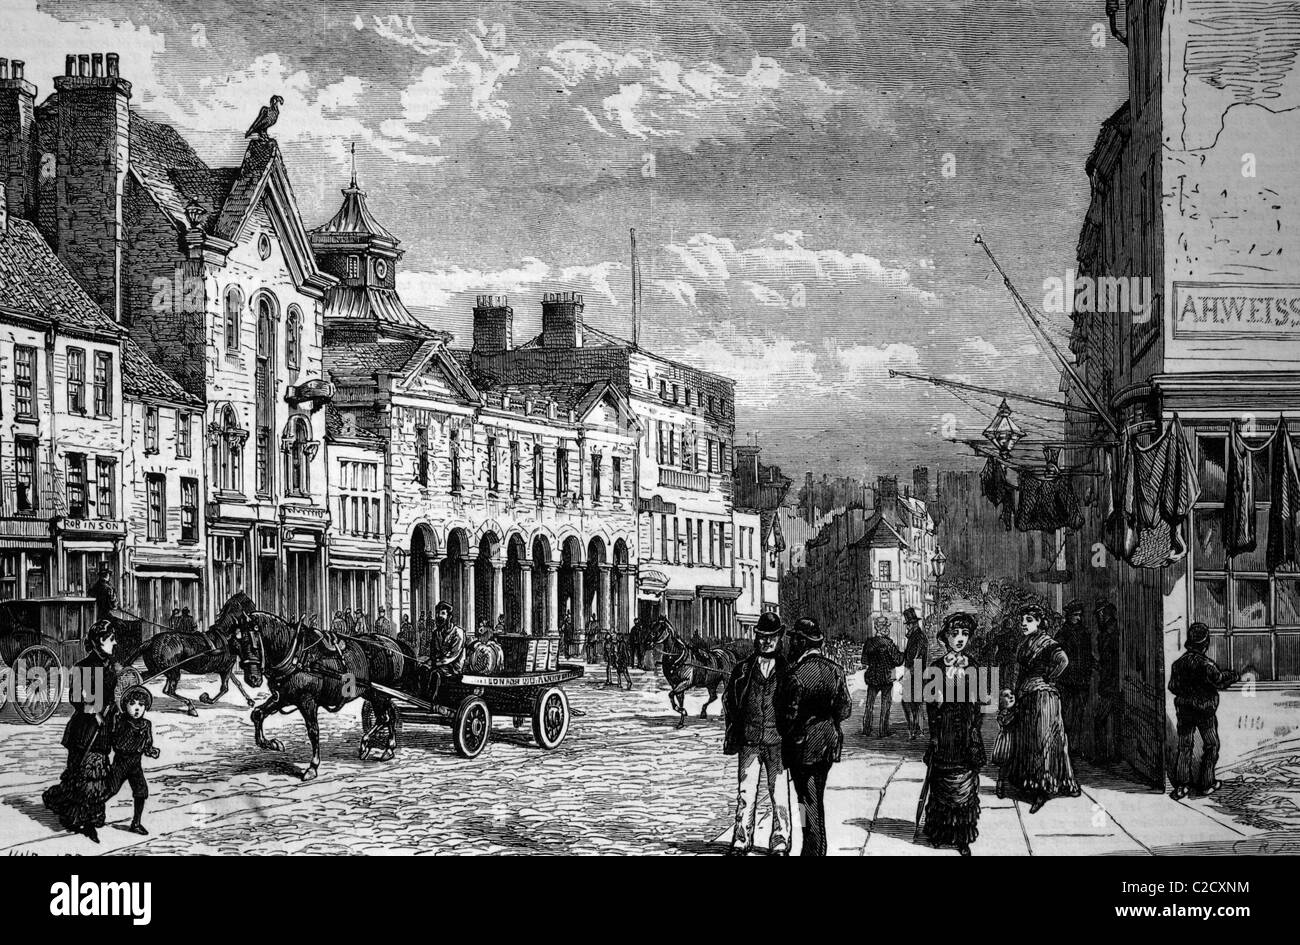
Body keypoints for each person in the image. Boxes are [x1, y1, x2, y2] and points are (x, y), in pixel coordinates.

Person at [777, 618, 852, 856]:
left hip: (802, 746)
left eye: (793, 640)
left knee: (806, 802)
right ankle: (815, 849)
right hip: (828, 744)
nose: (790, 645)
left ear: (801, 642)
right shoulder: (835, 670)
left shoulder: (795, 674)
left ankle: (812, 851)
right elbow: (845, 709)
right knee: (814, 798)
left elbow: (787, 718)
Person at [997, 603, 1080, 814]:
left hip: (1043, 699)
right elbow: (1017, 671)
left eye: (1029, 620)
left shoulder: (1047, 643)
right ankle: (1029, 784)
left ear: (1039, 622)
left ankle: (1043, 789)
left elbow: (1063, 661)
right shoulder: (1024, 643)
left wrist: (1048, 678)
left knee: (1043, 742)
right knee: (1027, 741)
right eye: (1022, 620)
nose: (1024, 624)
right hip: (1026, 697)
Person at [42, 620, 121, 843]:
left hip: (103, 728)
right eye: (110, 639)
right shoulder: (83, 667)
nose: (115, 643)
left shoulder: (110, 665)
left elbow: (111, 694)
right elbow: (77, 698)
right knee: (79, 772)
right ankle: (74, 814)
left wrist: (113, 706)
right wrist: (95, 712)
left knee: (98, 771)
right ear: (98, 642)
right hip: (84, 729)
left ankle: (93, 813)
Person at [722, 613, 791, 856]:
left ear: (779, 638)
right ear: (756, 637)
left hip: (777, 742)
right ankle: (741, 840)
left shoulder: (788, 670)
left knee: (779, 794)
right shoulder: (743, 669)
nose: (766, 642)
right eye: (762, 637)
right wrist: (736, 727)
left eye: (771, 637)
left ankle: (780, 842)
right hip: (749, 741)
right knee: (745, 793)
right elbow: (729, 699)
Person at [922, 613, 986, 856]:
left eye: (965, 634)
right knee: (941, 784)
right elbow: (929, 708)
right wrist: (934, 735)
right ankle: (940, 832)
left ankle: (962, 837)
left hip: (966, 732)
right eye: (954, 633)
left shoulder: (974, 666)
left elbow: (979, 707)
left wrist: (973, 730)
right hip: (944, 731)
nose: (960, 639)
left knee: (965, 786)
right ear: (945, 637)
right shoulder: (934, 669)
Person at [1169, 622, 1239, 800]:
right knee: (1212, 745)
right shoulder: (1207, 665)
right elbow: (1220, 681)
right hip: (1204, 713)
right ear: (1205, 644)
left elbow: (1172, 687)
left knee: (1184, 747)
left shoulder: (1178, 664)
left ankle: (1181, 786)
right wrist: (1234, 675)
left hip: (1184, 711)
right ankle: (1207, 784)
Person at [106, 686, 160, 835]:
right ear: (125, 706)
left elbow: (148, 744)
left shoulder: (146, 725)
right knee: (111, 789)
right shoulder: (120, 721)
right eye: (133, 704)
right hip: (121, 764)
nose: (137, 708)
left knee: (141, 792)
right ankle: (93, 811)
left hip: (135, 765)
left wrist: (151, 750)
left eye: (141, 705)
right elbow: (116, 743)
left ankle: (136, 823)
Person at [1057, 600, 1096, 760]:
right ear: (1069, 616)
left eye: (1080, 615)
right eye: (1075, 615)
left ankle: (1075, 746)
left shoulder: (1085, 633)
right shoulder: (1061, 634)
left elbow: (1088, 654)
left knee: (1079, 714)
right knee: (1065, 714)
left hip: (1081, 680)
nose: (1078, 618)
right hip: (1066, 681)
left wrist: (1093, 664)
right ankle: (1063, 745)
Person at [861, 616, 903, 737]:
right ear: (882, 628)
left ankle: (866, 728)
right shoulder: (888, 643)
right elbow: (898, 660)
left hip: (873, 677)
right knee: (885, 704)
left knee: (869, 704)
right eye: (886, 626)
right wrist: (902, 654)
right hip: (886, 677)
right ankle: (883, 730)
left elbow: (864, 660)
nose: (887, 629)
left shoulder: (869, 642)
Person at [1093, 601, 1122, 763]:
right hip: (1112, 682)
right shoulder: (1107, 632)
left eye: (1100, 614)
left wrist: (1102, 668)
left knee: (1100, 719)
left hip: (1111, 683)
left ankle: (1102, 756)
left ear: (1106, 614)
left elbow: (1111, 660)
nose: (1098, 617)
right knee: (1115, 720)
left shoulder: (1110, 633)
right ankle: (1114, 755)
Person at [900, 607, 928, 740]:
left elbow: (917, 658)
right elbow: (907, 656)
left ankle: (915, 730)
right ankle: (916, 729)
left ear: (914, 624)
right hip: (913, 673)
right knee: (912, 702)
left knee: (912, 702)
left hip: (916, 673)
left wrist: (908, 673)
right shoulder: (914, 637)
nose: (908, 627)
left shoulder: (919, 637)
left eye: (909, 624)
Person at [430, 601, 466, 680]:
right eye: (437, 613)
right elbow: (433, 654)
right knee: (423, 669)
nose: (439, 616)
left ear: (449, 617)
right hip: (439, 664)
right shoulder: (436, 633)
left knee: (435, 674)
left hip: (453, 667)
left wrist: (434, 663)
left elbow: (451, 656)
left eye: (443, 613)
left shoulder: (458, 633)